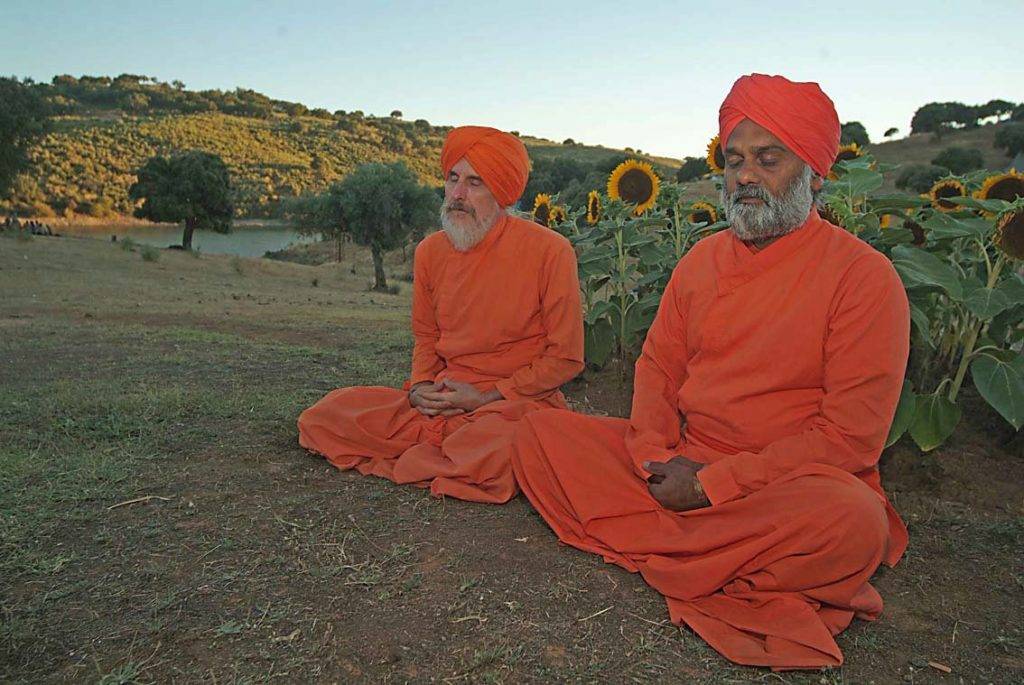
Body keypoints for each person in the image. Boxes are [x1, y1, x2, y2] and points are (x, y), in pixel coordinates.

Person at [510, 74, 911, 669]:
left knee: (853, 521)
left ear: (814, 174)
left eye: (768, 159)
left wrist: (712, 487)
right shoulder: (700, 259)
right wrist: (650, 455)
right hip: (678, 460)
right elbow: (658, 367)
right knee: (537, 432)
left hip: (783, 483)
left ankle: (664, 542)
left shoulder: (865, 278)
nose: (745, 176)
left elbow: (849, 439)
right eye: (735, 160)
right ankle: (708, 553)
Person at [298, 126, 584, 503]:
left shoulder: (551, 251)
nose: (458, 196)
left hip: (514, 402)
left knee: (503, 450)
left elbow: (565, 358)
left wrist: (487, 397)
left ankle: (452, 453)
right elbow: (427, 338)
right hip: (443, 398)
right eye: (453, 179)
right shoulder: (430, 252)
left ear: (501, 193)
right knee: (325, 416)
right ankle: (445, 453)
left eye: (475, 183)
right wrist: (420, 388)